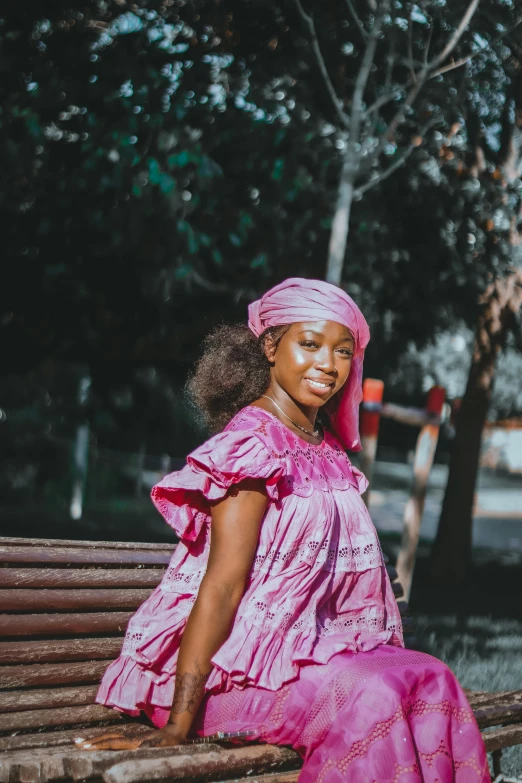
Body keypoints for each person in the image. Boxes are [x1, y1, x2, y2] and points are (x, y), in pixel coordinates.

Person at [77, 278, 490, 782]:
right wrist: (178, 726)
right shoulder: (250, 447)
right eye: (310, 344)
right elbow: (222, 586)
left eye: (343, 351)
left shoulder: (326, 448)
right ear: (271, 346)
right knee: (375, 698)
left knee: (432, 676)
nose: (328, 364)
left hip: (304, 659)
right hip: (235, 680)